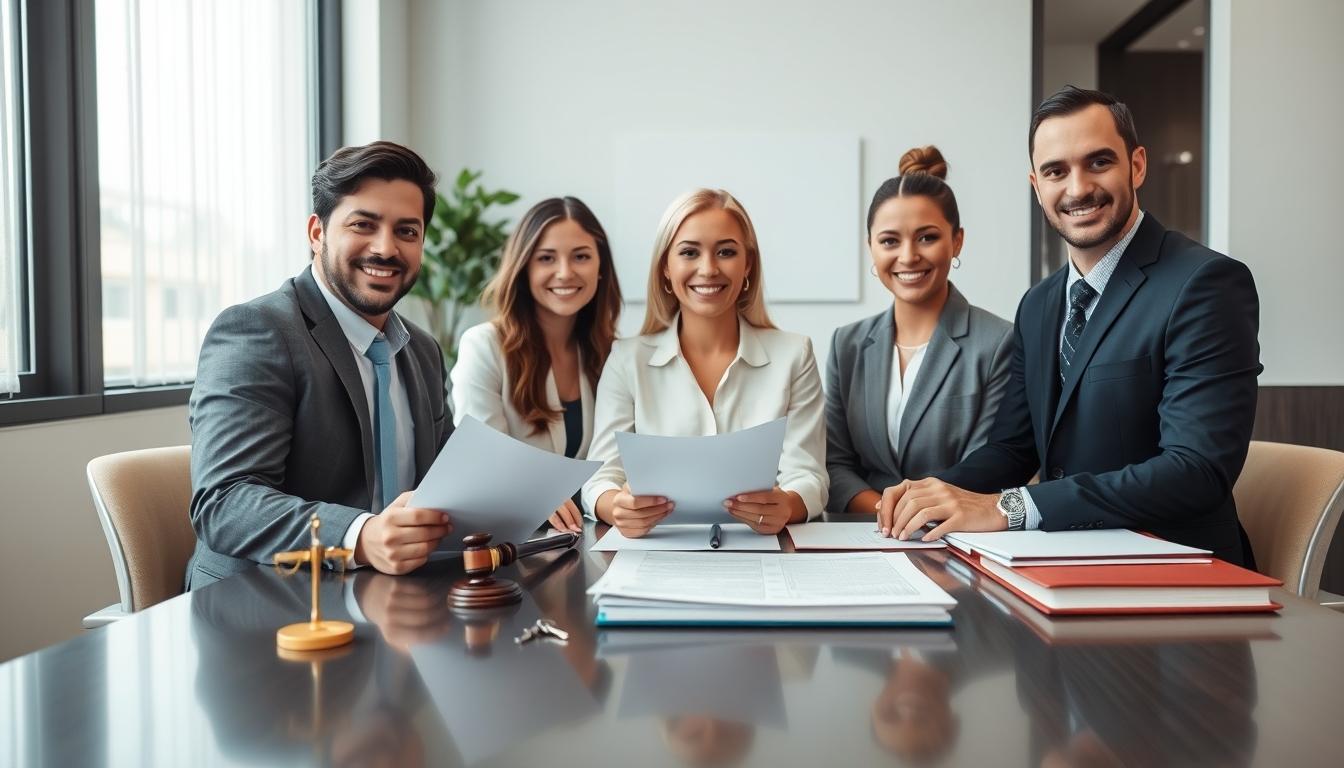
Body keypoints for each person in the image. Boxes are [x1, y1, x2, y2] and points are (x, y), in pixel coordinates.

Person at [877, 86, 1261, 567]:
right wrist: (934, 492)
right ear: (1037, 185)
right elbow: (1012, 449)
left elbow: (1196, 470)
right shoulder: (1038, 304)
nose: (1078, 188)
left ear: (1136, 166)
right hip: (1066, 562)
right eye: (1056, 171)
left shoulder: (1206, 284)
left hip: (1177, 574)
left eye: (1098, 162)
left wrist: (1009, 507)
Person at [187, 141, 455, 587]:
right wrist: (362, 535)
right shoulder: (257, 330)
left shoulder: (421, 350)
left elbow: (448, 479)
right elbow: (225, 502)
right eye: (363, 225)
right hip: (268, 609)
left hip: (392, 599)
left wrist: (534, 497)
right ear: (317, 232)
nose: (386, 248)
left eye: (407, 231)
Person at [581, 188, 827, 537]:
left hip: (762, 552)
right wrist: (616, 507)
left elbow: (809, 475)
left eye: (726, 252)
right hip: (658, 553)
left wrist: (787, 504)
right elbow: (601, 477)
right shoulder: (626, 360)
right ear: (666, 268)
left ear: (748, 266)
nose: (708, 269)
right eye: (689, 252)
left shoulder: (795, 354)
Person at [825, 145, 1013, 516]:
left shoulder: (998, 342)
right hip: (861, 535)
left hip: (954, 538)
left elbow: (988, 466)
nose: (908, 256)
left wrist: (913, 514)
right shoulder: (846, 344)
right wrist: (887, 511)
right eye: (890, 241)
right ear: (871, 248)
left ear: (956, 241)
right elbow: (834, 465)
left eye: (927, 237)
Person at [450, 197, 622, 533]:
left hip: (585, 541)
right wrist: (534, 495)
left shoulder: (611, 353)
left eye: (581, 257)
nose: (565, 272)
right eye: (546, 258)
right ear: (524, 267)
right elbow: (483, 461)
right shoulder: (483, 345)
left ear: (601, 268)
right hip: (512, 545)